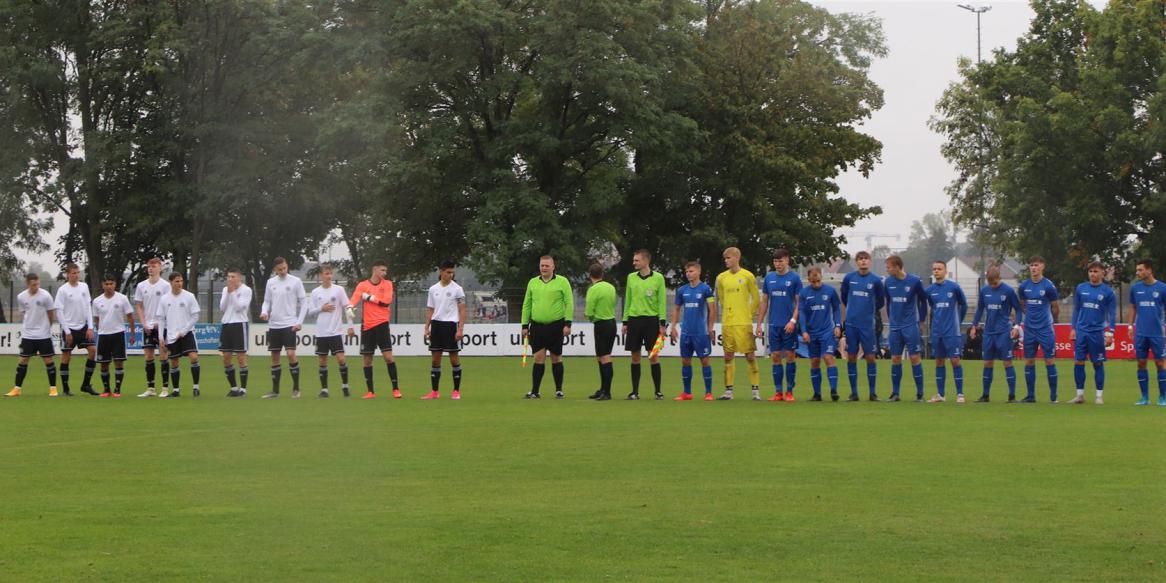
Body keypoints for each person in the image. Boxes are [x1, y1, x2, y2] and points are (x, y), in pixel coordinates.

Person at [521, 255, 573, 399]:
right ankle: (535, 391)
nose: (544, 268)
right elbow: (527, 305)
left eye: (547, 265)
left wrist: (568, 323)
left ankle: (559, 390)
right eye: (542, 265)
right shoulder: (532, 282)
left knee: (556, 358)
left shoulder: (562, 282)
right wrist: (525, 325)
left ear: (553, 267)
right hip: (537, 326)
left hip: (556, 325)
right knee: (538, 358)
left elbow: (569, 302)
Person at [348, 260, 401, 399]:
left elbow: (386, 302)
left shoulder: (388, 284)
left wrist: (370, 297)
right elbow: (353, 300)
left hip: (382, 324)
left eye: (385, 271)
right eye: (382, 270)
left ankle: (396, 389)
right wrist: (349, 308)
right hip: (367, 326)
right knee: (367, 360)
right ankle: (370, 392)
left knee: (388, 357)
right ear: (375, 269)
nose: (385, 273)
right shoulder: (362, 285)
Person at [715, 247, 761, 400]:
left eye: (728, 258)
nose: (726, 260)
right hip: (728, 323)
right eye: (724, 258)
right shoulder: (721, 278)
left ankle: (755, 391)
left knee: (749, 355)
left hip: (744, 322)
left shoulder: (748, 276)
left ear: (736, 258)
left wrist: (749, 313)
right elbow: (721, 299)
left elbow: (756, 298)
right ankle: (728, 391)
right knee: (728, 356)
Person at [969, 265, 1022, 402]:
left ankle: (1012, 396)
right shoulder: (984, 291)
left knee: (1007, 363)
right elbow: (980, 309)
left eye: (995, 283)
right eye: (990, 283)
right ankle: (985, 395)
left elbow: (1019, 309)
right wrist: (974, 326)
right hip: (988, 333)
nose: (993, 285)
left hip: (1004, 332)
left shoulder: (1008, 291)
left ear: (999, 278)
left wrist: (1016, 326)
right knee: (987, 363)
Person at [840, 250, 885, 401]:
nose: (863, 261)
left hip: (867, 325)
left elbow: (880, 301)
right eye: (860, 259)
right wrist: (853, 310)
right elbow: (844, 297)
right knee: (851, 357)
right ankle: (854, 393)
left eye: (866, 259)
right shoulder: (849, 278)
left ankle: (872, 393)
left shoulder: (876, 280)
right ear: (856, 261)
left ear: (870, 261)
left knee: (871, 357)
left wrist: (868, 311)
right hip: (852, 324)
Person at [260, 257, 308, 399]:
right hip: (274, 325)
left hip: (289, 324)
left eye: (284, 268)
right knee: (275, 357)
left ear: (287, 266)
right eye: (279, 269)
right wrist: (264, 312)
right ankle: (275, 391)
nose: (282, 271)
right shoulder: (271, 282)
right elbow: (266, 301)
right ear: (275, 269)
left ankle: (296, 389)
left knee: (290, 354)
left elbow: (304, 303)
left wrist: (299, 322)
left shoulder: (295, 281)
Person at [756, 249, 801, 401]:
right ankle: (778, 392)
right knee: (775, 356)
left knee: (789, 356)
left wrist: (793, 321)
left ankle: (789, 392)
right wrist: (760, 323)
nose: (778, 264)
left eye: (780, 261)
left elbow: (799, 303)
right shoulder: (769, 278)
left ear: (787, 261)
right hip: (774, 325)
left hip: (789, 325)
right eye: (775, 261)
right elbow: (764, 301)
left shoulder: (794, 278)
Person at [622, 249, 667, 400]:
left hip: (651, 321)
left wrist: (662, 323)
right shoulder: (631, 278)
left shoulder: (658, 278)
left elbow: (662, 302)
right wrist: (625, 321)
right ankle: (634, 391)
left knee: (653, 356)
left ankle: (658, 391)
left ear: (646, 261)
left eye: (637, 260)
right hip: (634, 320)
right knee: (635, 356)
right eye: (634, 260)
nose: (634, 263)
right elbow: (628, 300)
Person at [1069, 261, 1116, 405]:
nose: (1093, 274)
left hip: (1097, 332)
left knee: (1097, 363)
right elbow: (1076, 309)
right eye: (1090, 271)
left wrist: (1110, 332)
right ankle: (1080, 395)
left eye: (1096, 271)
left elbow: (1112, 314)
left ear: (1102, 273)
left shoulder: (1108, 292)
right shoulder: (1081, 288)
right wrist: (1073, 328)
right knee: (1078, 362)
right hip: (1082, 331)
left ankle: (1099, 396)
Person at [882, 255, 928, 402]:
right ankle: (895, 393)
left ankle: (920, 394)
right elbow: (888, 302)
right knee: (895, 358)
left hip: (910, 326)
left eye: (888, 267)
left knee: (914, 358)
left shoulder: (914, 281)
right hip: (895, 327)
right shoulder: (888, 282)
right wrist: (891, 319)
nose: (887, 269)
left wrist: (921, 320)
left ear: (897, 267)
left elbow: (923, 300)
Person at [1016, 255, 1060, 403]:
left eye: (1036, 265)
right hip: (1029, 330)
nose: (1033, 268)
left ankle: (1053, 397)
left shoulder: (1048, 286)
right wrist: (1028, 317)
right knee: (1029, 361)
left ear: (1042, 266)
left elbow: (1055, 307)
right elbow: (1021, 304)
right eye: (1031, 265)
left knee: (1049, 361)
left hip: (1045, 330)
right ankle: (1030, 396)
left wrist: (1052, 322)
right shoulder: (1024, 286)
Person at [6, 273, 58, 397]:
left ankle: (53, 389)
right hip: (28, 334)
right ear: (28, 283)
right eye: (33, 284)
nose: (36, 286)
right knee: (23, 359)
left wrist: (47, 327)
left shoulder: (46, 296)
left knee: (48, 360)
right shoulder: (21, 297)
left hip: (43, 335)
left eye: (37, 284)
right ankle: (17, 389)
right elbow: (25, 313)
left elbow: (51, 313)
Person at [672, 261, 717, 401]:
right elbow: (677, 309)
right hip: (686, 332)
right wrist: (673, 326)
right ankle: (687, 392)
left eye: (691, 271)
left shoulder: (705, 289)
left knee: (704, 361)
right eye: (687, 272)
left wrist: (710, 328)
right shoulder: (682, 290)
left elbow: (712, 310)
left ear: (698, 272)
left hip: (701, 333)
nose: (688, 274)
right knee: (685, 361)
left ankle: (708, 392)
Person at [925, 260, 968, 403]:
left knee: (955, 360)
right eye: (934, 269)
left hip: (952, 332)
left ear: (945, 270)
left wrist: (958, 321)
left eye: (939, 269)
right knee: (939, 361)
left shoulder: (954, 287)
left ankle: (960, 394)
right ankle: (941, 395)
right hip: (937, 331)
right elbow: (932, 307)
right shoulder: (930, 290)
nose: (936, 271)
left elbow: (964, 304)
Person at [423, 261, 467, 400]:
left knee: (454, 359)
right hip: (436, 325)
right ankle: (434, 392)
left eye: (452, 272)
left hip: (451, 325)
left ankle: (456, 391)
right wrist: (426, 327)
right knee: (435, 360)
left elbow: (462, 310)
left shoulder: (457, 289)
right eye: (448, 272)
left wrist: (460, 329)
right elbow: (430, 309)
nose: (450, 275)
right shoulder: (433, 289)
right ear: (441, 272)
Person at [308, 264, 352, 398]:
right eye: (326, 274)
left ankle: (345, 386)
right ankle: (324, 390)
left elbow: (348, 307)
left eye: (330, 274)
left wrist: (350, 325)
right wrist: (322, 308)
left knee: (341, 358)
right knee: (322, 361)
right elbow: (310, 312)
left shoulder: (339, 290)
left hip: (335, 331)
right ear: (321, 275)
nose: (329, 276)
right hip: (322, 332)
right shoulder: (316, 292)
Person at [155, 272, 201, 397]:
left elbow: (195, 315)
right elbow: (161, 319)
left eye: (181, 281)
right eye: (177, 281)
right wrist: (160, 337)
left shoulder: (189, 296)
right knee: (174, 361)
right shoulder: (164, 299)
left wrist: (185, 330)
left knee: (193, 357)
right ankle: (176, 390)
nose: (179, 283)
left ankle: (196, 388)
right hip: (171, 335)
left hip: (187, 333)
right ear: (171, 282)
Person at [55, 263, 98, 396]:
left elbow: (87, 307)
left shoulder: (84, 287)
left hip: (83, 327)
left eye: (78, 272)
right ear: (68, 274)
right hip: (69, 328)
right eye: (73, 273)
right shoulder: (63, 290)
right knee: (66, 357)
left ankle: (86, 385)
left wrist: (90, 327)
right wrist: (67, 331)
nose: (76, 275)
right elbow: (59, 311)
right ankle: (66, 389)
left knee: (92, 350)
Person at [799, 267, 841, 401]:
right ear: (809, 279)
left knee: (828, 358)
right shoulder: (804, 293)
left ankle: (834, 390)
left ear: (821, 277)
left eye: (818, 280)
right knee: (815, 361)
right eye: (814, 281)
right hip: (812, 333)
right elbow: (802, 313)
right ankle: (817, 394)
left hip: (827, 332)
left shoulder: (830, 291)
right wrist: (804, 331)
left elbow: (836, 308)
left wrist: (838, 325)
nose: (816, 283)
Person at [1128, 258, 1166, 406]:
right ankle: (1144, 397)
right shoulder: (1135, 288)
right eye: (1137, 270)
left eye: (1140, 270)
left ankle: (1163, 397)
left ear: (1149, 270)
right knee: (1141, 363)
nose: (1138, 272)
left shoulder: (1162, 288)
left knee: (1160, 363)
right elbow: (1132, 307)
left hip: (1157, 333)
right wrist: (1130, 326)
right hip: (1141, 333)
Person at [91, 275, 136, 397]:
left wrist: (132, 334)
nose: (109, 286)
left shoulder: (122, 298)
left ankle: (117, 389)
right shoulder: (97, 301)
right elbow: (96, 318)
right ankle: (106, 390)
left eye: (111, 284)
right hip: (103, 335)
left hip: (118, 334)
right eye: (106, 284)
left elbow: (130, 317)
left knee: (118, 362)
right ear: (102, 285)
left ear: (115, 285)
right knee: (104, 363)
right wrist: (100, 329)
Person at [135, 258, 172, 397]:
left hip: (162, 325)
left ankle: (165, 388)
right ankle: (150, 388)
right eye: (149, 266)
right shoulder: (141, 286)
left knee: (163, 355)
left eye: (154, 266)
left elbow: (169, 305)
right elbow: (139, 305)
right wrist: (143, 322)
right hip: (147, 326)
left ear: (160, 268)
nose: (151, 268)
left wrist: (161, 322)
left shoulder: (165, 286)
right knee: (148, 356)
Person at [584, 263, 617, 401]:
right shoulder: (610, 287)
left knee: (604, 357)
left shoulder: (593, 289)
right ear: (602, 274)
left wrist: (590, 316)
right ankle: (603, 388)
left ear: (589, 275)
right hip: (611, 322)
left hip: (601, 324)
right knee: (602, 356)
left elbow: (589, 311)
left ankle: (607, 392)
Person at [219, 268, 252, 397]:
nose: (230, 279)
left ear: (239, 278)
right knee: (226, 358)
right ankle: (233, 388)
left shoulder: (246, 290)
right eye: (228, 277)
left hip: (240, 324)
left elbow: (239, 308)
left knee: (241, 357)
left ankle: (243, 389)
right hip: (226, 324)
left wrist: (232, 293)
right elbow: (222, 307)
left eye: (232, 277)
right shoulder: (225, 290)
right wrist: (228, 293)